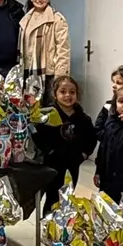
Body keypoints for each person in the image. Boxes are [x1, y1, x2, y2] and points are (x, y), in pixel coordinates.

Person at [32, 76, 96, 211]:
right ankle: (49, 227)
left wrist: (84, 154)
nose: (68, 95)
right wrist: (48, 151)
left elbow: (91, 138)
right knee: (52, 196)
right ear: (55, 94)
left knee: (68, 194)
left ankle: (63, 227)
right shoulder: (47, 115)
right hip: (52, 164)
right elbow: (38, 137)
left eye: (72, 92)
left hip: (73, 163)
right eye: (63, 91)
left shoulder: (83, 118)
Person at [19, 0, 70, 101]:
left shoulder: (57, 19)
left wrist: (61, 78)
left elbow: (63, 49)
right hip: (27, 72)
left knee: (49, 109)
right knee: (29, 109)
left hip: (48, 74)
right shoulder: (25, 19)